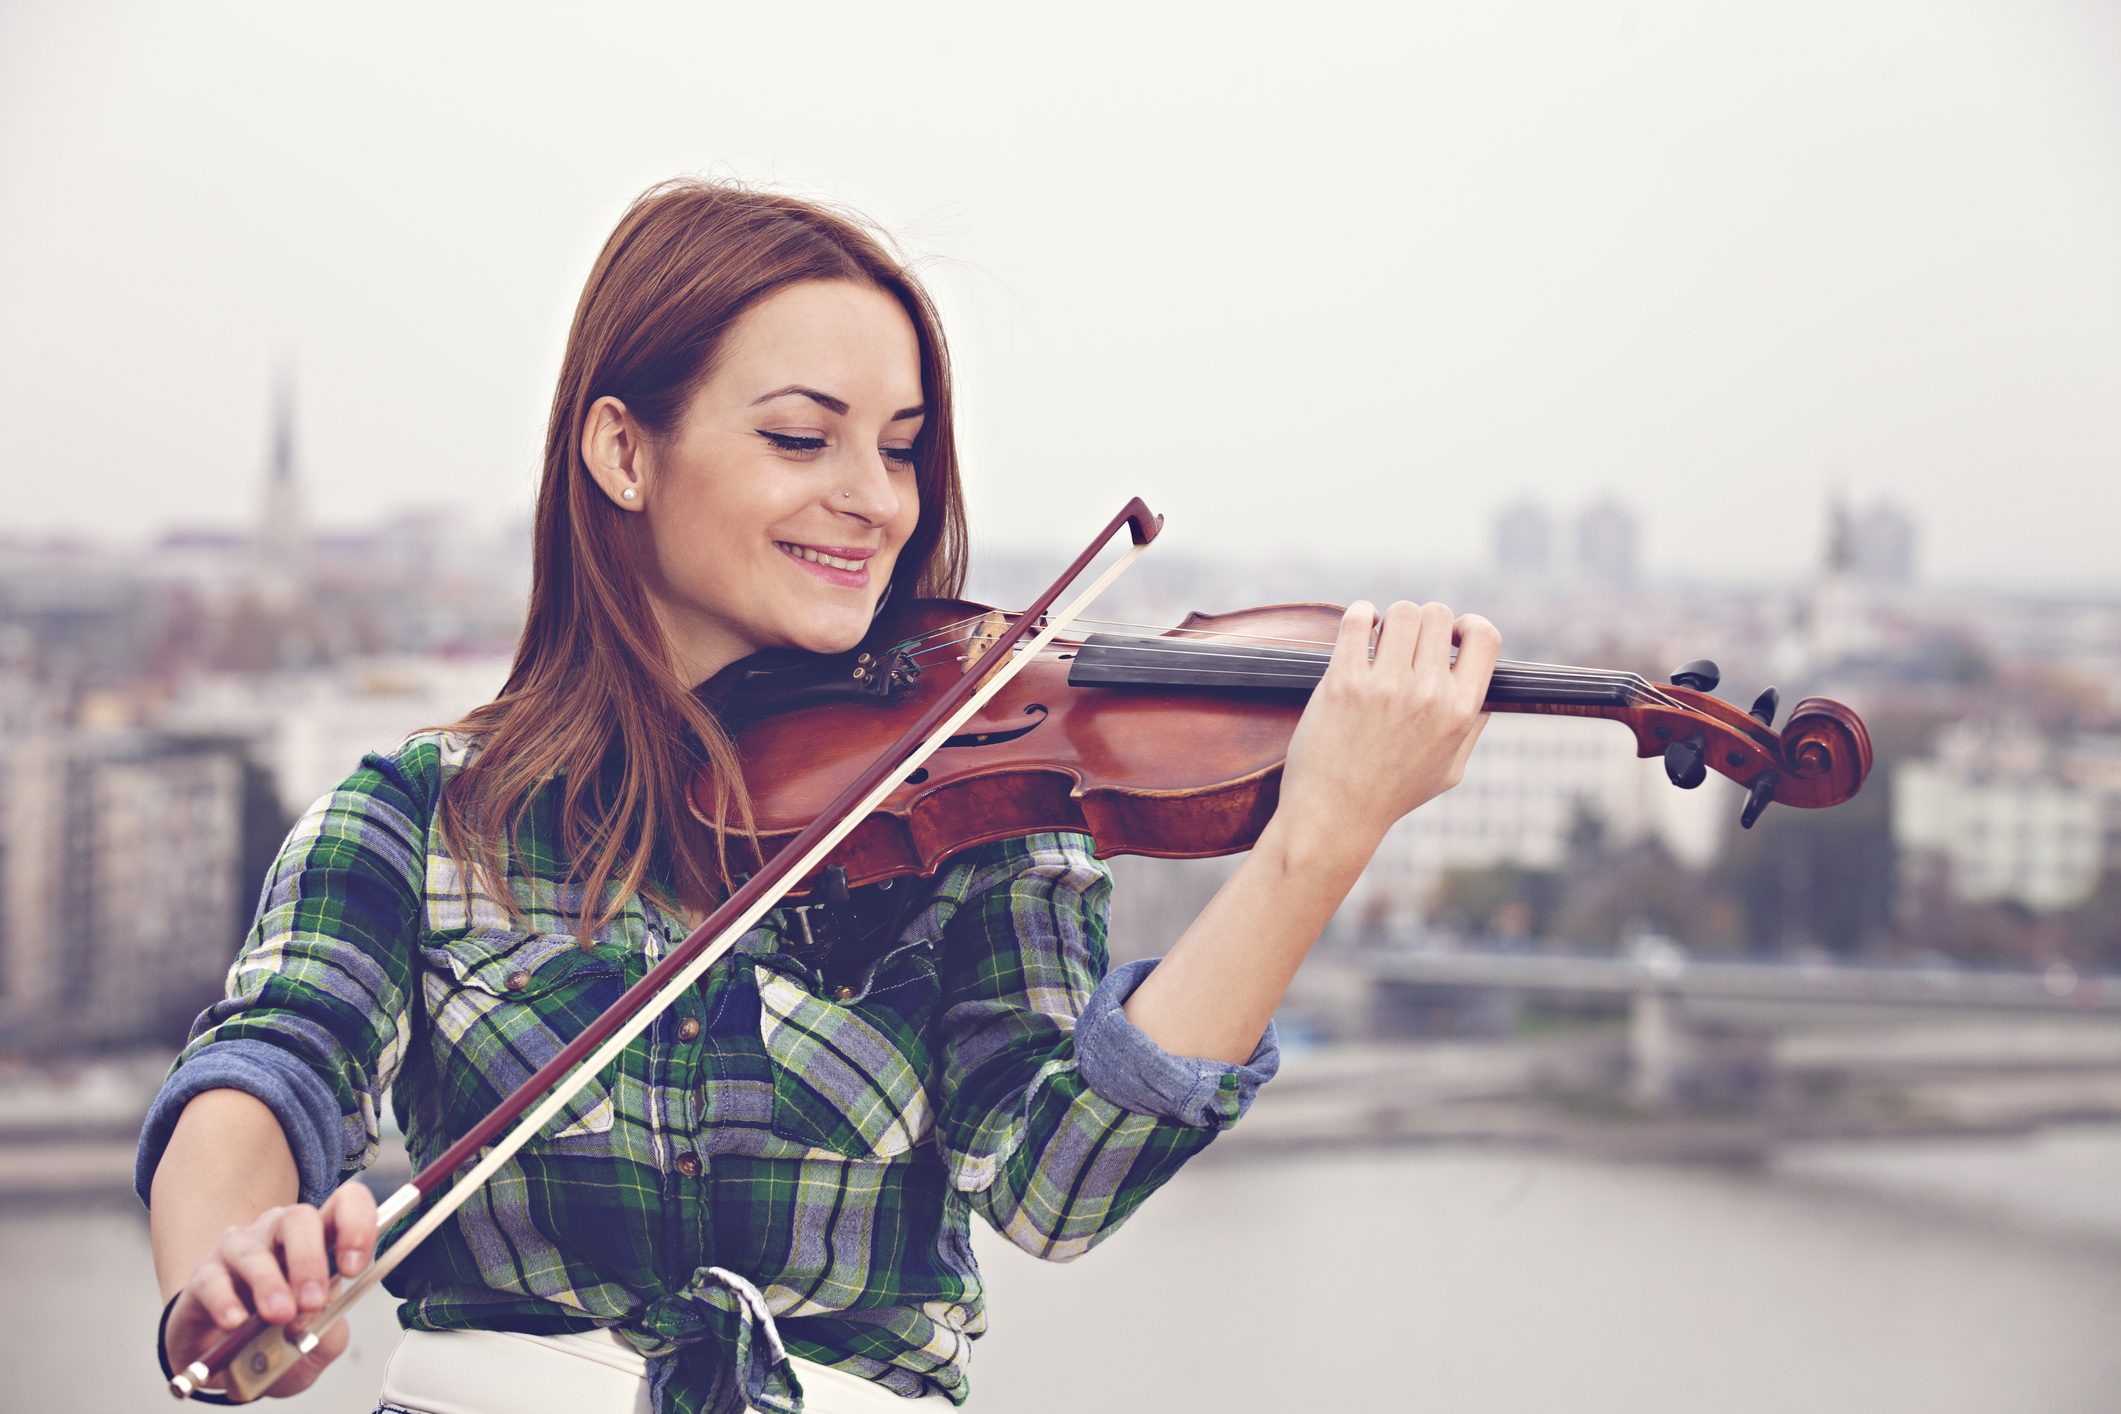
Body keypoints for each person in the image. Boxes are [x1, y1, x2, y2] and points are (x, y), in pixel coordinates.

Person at [138, 180, 1499, 1414]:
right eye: (803, 437)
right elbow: (271, 1064)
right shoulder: (429, 811)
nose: (874, 501)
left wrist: (1319, 836)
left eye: (901, 449)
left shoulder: (966, 814)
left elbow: (1058, 1187)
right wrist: (234, 1262)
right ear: (623, 451)